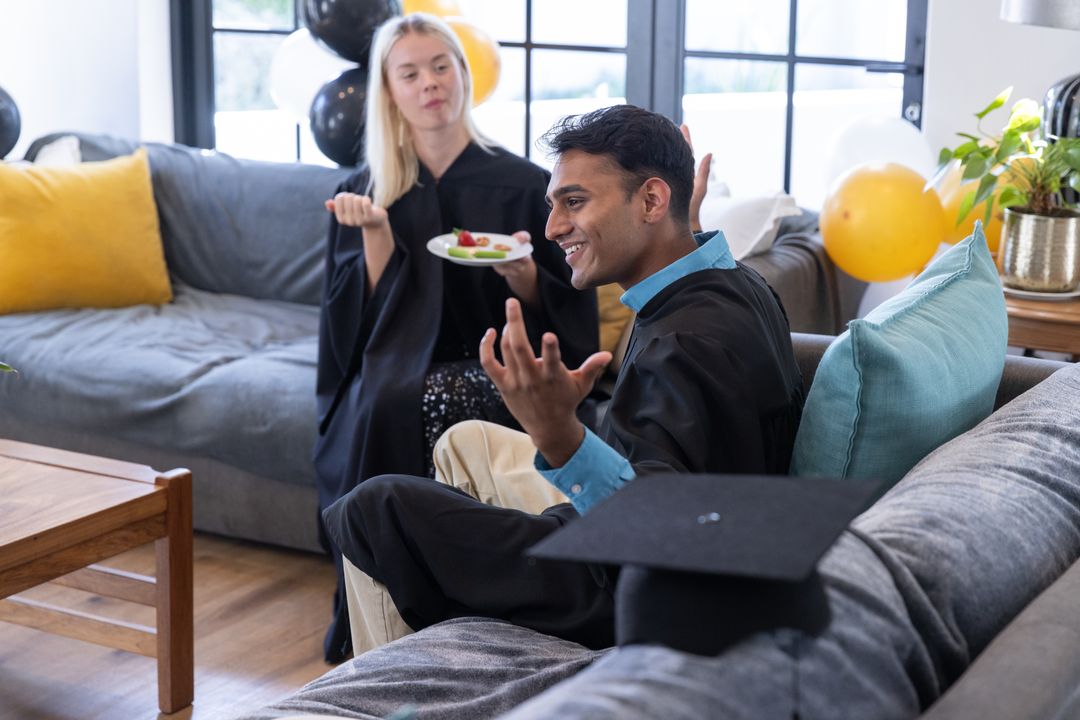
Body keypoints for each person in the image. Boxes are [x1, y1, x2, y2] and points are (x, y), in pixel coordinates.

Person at [323, 104, 805, 655]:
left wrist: (559, 436)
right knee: (464, 440)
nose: (552, 228)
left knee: (375, 508)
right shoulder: (731, 278)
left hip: (625, 580)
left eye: (574, 202)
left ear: (651, 201)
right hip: (657, 522)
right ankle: (449, 643)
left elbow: (660, 535)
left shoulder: (686, 343)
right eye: (554, 205)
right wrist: (682, 226)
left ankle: (384, 687)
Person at [314, 13, 600, 662]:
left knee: (430, 397)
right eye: (410, 73)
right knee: (383, 398)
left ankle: (462, 600)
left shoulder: (524, 185)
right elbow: (352, 330)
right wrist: (377, 235)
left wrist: (525, 277)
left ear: (464, 76)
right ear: (390, 92)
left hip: (494, 355)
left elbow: (570, 307)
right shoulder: (362, 192)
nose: (430, 83)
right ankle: (393, 604)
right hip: (396, 359)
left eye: (441, 66)